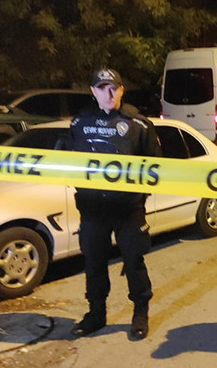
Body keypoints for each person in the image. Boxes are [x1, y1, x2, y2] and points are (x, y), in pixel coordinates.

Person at [69, 68, 161, 340]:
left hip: (127, 209)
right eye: (102, 88)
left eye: (114, 88)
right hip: (92, 209)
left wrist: (139, 198)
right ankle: (96, 314)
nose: (108, 93)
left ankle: (140, 313)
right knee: (94, 262)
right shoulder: (79, 123)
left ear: (122, 90)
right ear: (93, 91)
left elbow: (156, 167)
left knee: (134, 261)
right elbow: (67, 162)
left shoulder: (138, 124)